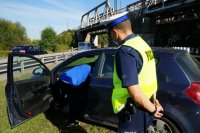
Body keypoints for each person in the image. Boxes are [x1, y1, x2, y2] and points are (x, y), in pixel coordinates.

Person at [102, 11, 164, 132]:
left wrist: (154, 110)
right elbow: (149, 74)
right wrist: (154, 102)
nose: (112, 37)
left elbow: (135, 94)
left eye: (110, 34)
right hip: (147, 104)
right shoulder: (142, 44)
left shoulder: (125, 51)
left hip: (133, 111)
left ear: (115, 31)